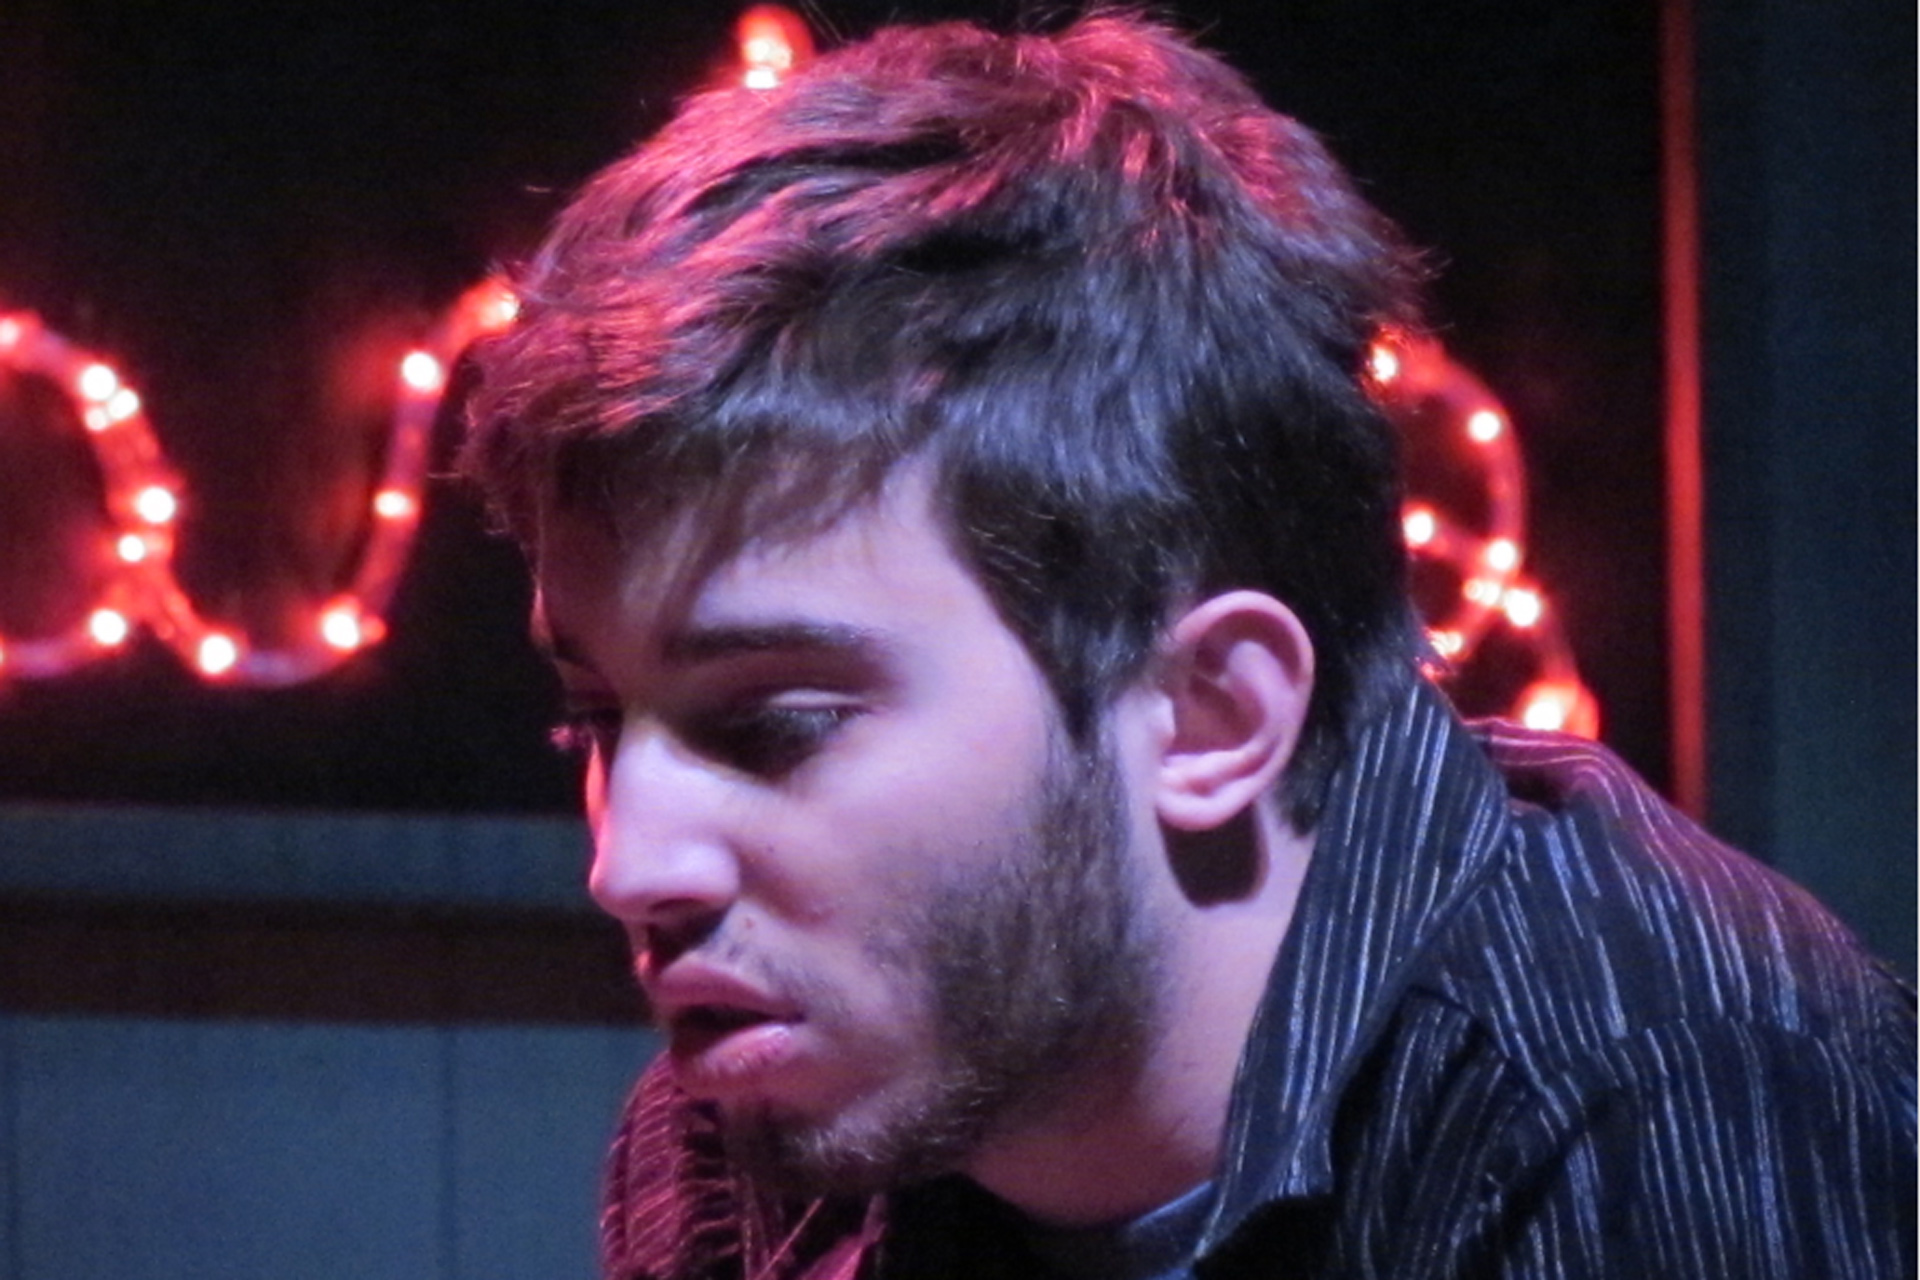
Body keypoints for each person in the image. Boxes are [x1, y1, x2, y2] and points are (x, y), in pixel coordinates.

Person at [462, 12, 1916, 1278]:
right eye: (596, 722)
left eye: (773, 720)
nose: (631, 863)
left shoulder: (1652, 1091)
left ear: (1212, 715)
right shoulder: (776, 1109)